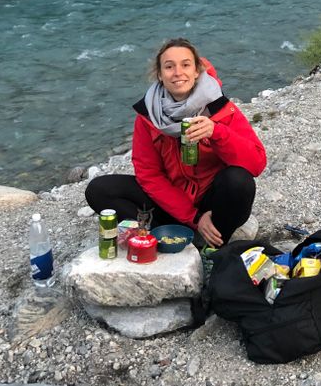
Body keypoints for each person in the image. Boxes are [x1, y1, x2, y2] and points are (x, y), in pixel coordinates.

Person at [85, 38, 266, 248]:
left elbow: (257, 163)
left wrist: (217, 132)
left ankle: (213, 244)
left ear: (197, 71)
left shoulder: (220, 107)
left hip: (214, 203)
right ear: (160, 75)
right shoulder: (148, 116)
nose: (178, 72)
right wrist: (194, 218)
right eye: (169, 66)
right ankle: (165, 235)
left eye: (186, 65)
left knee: (239, 180)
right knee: (99, 190)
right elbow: (149, 175)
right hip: (172, 203)